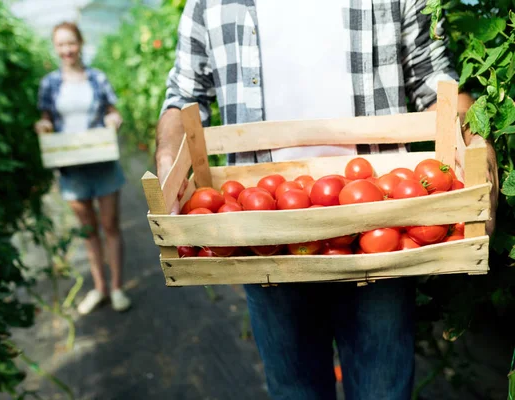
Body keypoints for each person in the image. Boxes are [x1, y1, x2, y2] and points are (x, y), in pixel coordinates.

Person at [156, 1, 498, 399]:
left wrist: (475, 138)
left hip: (379, 228)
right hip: (265, 235)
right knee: (294, 389)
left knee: (382, 388)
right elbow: (182, 96)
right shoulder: (209, 5)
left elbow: (436, 79)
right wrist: (168, 160)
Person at [35, 22, 131, 315]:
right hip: (71, 167)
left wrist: (114, 120)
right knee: (89, 232)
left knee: (111, 226)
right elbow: (47, 118)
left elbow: (112, 111)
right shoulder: (49, 84)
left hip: (102, 161)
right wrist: (43, 126)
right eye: (61, 45)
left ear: (80, 43)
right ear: (56, 48)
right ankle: (99, 287)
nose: (67, 50)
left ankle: (116, 288)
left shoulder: (97, 78)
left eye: (71, 43)